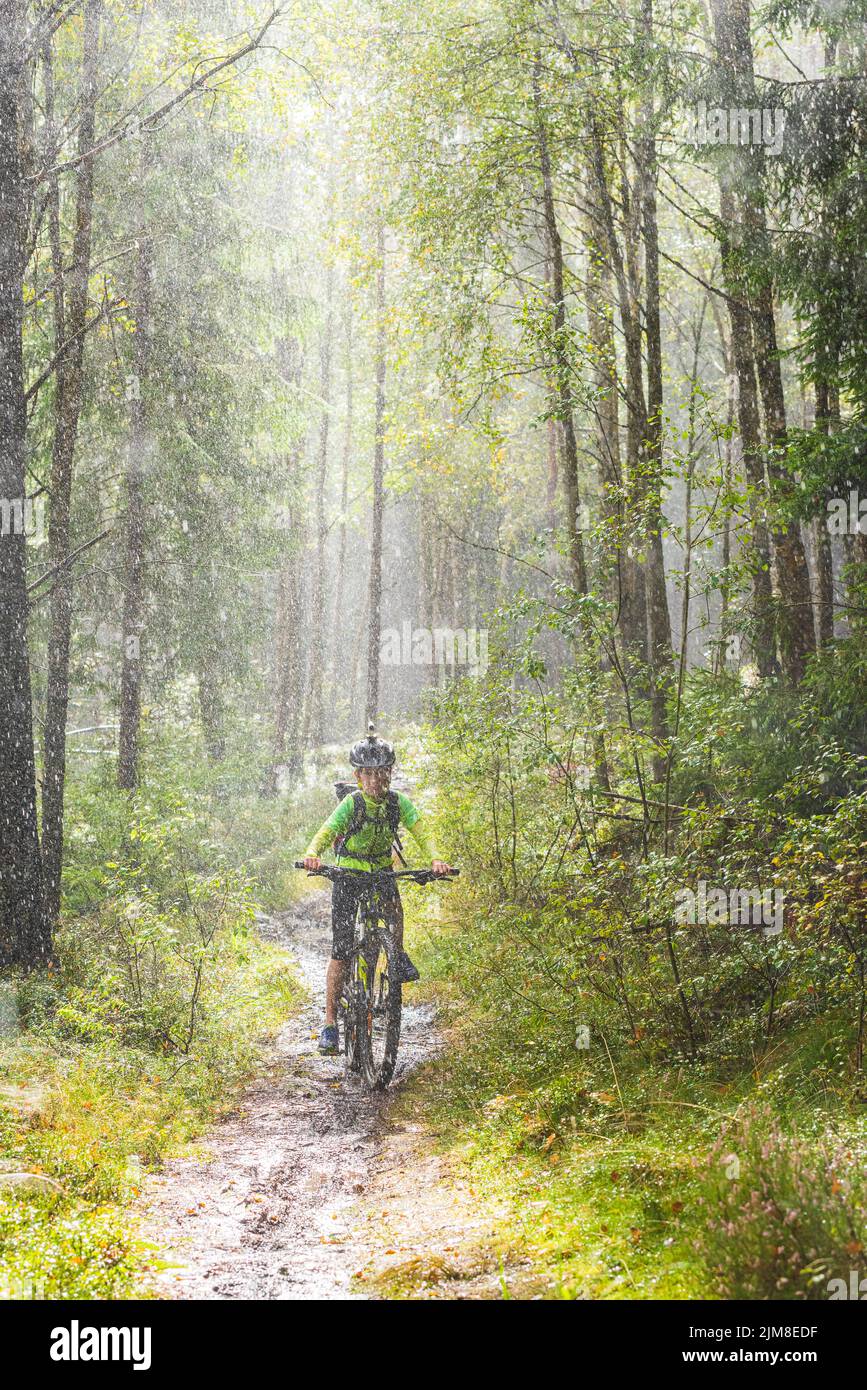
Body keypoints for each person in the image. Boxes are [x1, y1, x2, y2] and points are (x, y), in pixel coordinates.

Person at [301, 730, 452, 1054]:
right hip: (348, 874)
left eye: (381, 772)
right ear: (357, 776)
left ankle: (396, 957)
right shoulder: (352, 804)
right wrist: (313, 854)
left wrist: (436, 858)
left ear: (390, 773)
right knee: (341, 950)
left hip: (381, 871)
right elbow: (326, 832)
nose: (375, 780)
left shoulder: (398, 803)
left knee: (396, 912)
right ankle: (329, 1024)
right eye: (368, 774)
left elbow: (421, 830)